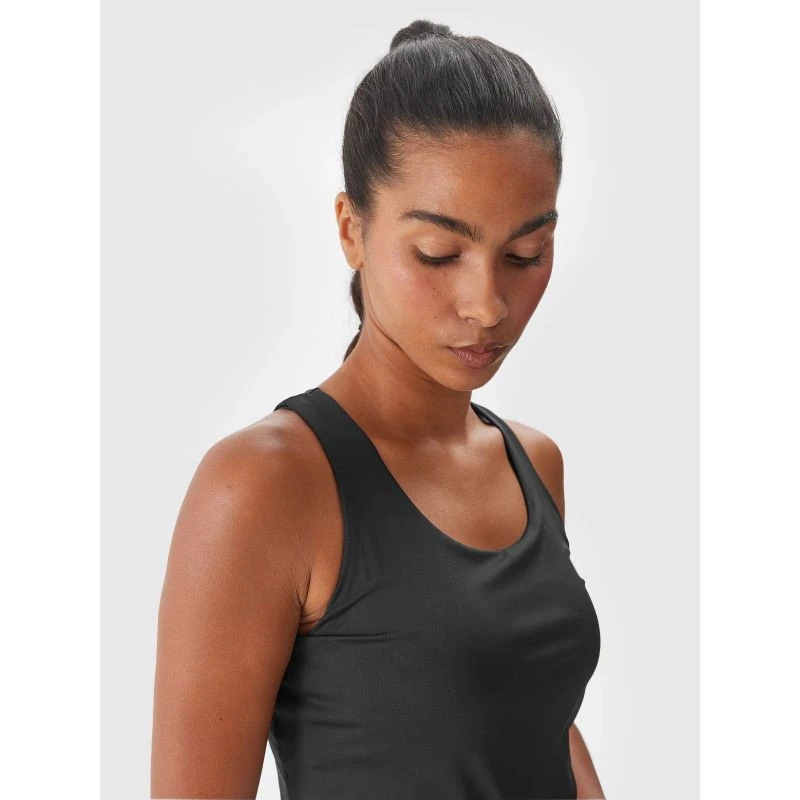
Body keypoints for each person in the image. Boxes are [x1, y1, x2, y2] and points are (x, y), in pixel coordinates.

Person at [151, 18, 605, 800]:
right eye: (439, 254)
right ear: (351, 230)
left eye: (526, 254)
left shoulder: (534, 465)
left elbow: (542, 727)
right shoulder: (263, 487)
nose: (488, 304)